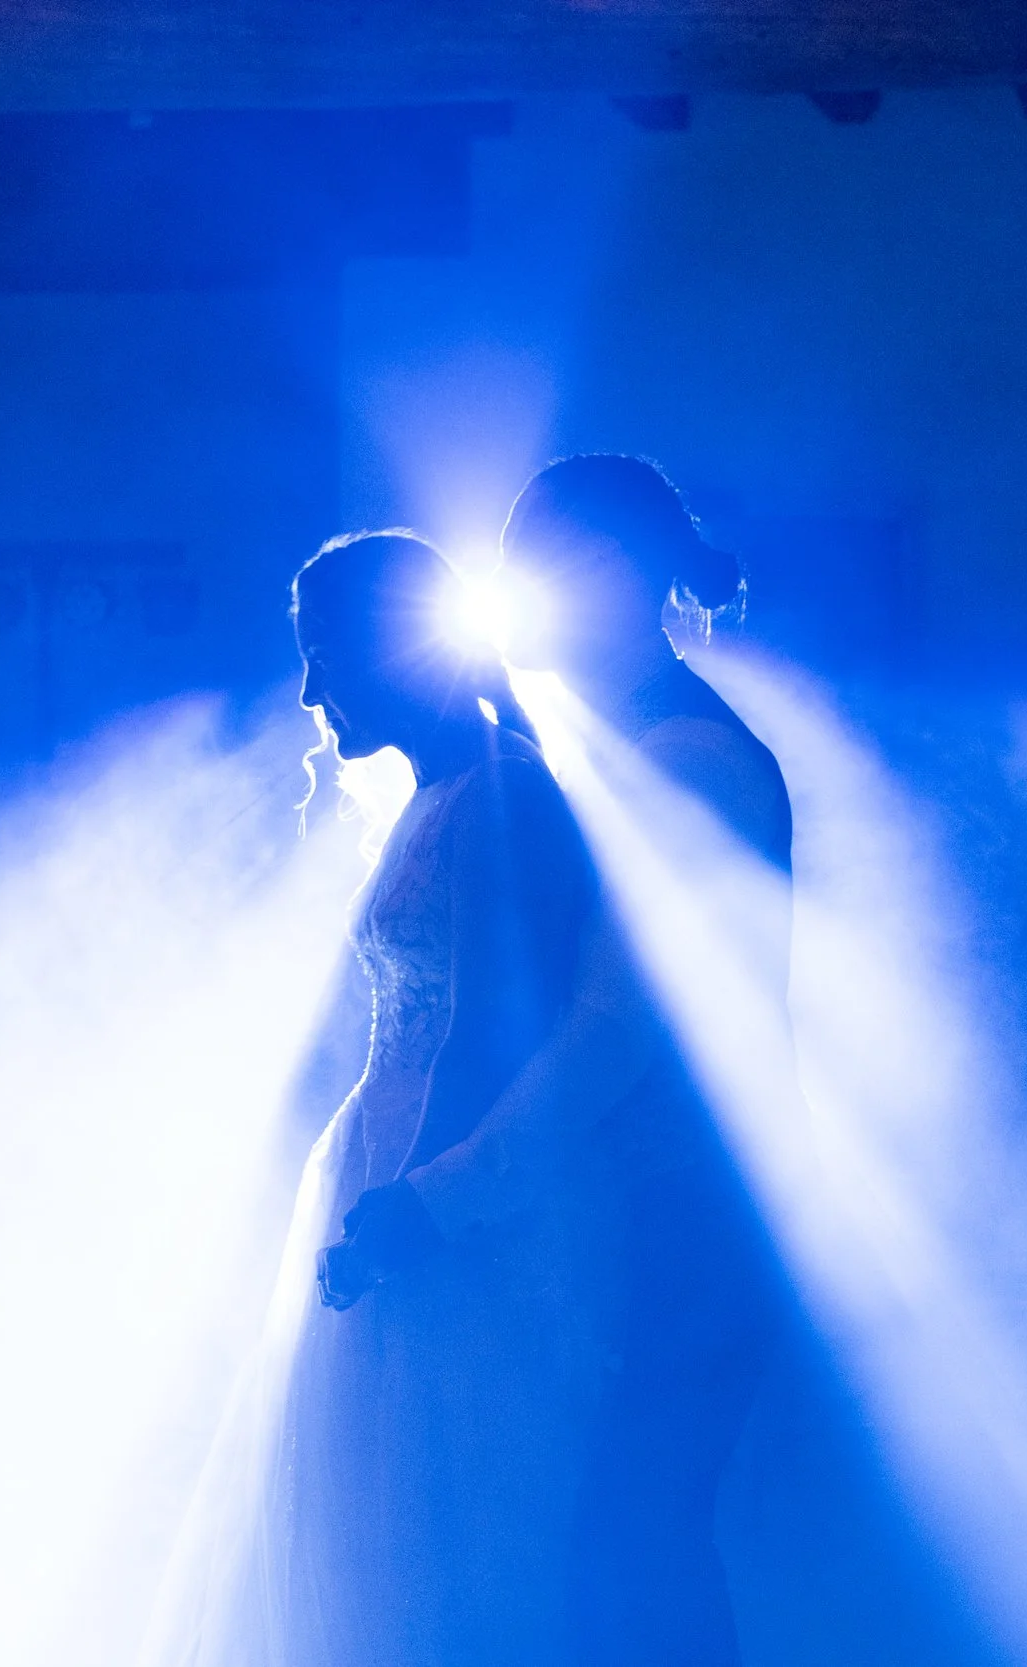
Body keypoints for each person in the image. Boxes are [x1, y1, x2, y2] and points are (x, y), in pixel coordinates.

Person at [427, 454, 797, 1667]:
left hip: (697, 1216)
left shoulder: (686, 754)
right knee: (623, 1552)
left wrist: (457, 1183)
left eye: (536, 567)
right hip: (655, 1207)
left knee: (632, 1554)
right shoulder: (626, 738)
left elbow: (616, 1024)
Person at [279, 530, 620, 1667]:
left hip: (445, 1203)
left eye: (326, 654)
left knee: (448, 1538)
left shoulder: (504, 795)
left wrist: (419, 1205)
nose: (311, 690)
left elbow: (504, 1031)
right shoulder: (440, 794)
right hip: (392, 1174)